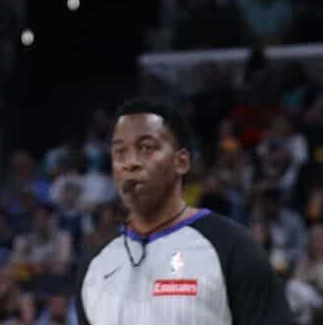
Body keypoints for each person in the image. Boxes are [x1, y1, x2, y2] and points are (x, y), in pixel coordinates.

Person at [76, 97, 286, 325]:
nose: (130, 163)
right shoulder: (95, 263)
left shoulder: (232, 247)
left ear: (182, 162)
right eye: (120, 152)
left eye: (146, 148)